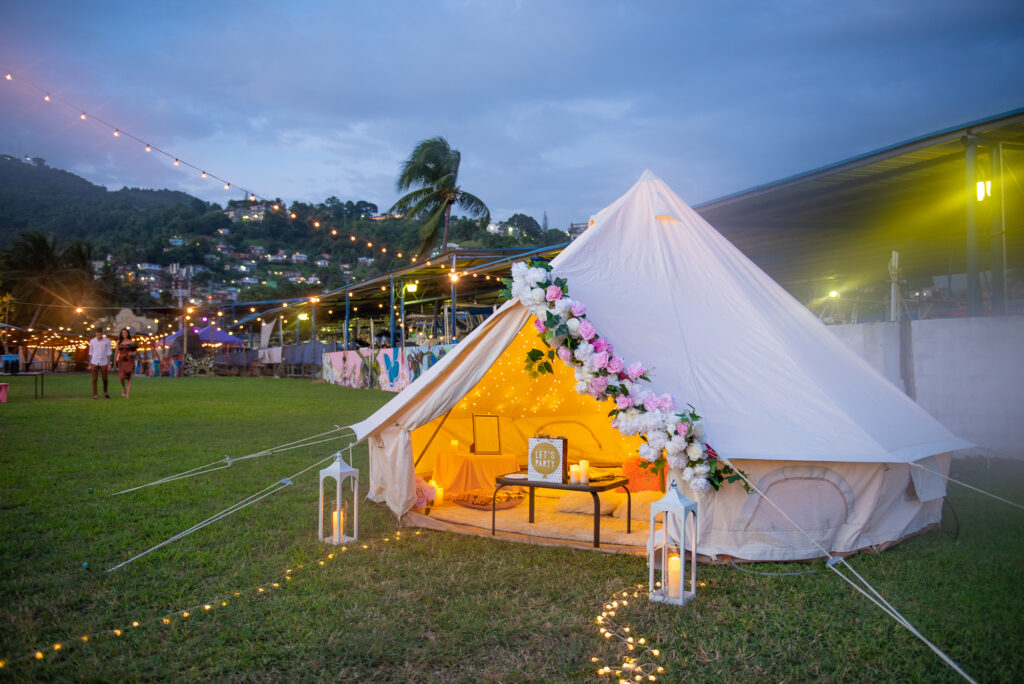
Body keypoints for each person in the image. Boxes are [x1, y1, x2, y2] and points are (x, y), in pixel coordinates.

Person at [88, 328, 112, 399]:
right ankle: (95, 394)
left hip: (104, 361)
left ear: (102, 333)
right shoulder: (92, 341)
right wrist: (90, 363)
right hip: (94, 361)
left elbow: (109, 352)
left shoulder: (107, 341)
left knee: (105, 378)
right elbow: (90, 352)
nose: (99, 335)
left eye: (100, 333)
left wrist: (109, 363)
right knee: (94, 379)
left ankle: (105, 392)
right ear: (95, 333)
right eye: (97, 333)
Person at [115, 328, 139, 398]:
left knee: (129, 377)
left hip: (129, 360)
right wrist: (114, 361)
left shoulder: (131, 342)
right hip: (121, 360)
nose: (124, 334)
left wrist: (131, 354)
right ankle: (124, 389)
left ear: (128, 334)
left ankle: (128, 393)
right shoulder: (119, 342)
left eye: (125, 333)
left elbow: (135, 352)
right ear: (121, 334)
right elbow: (116, 351)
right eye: (123, 333)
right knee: (121, 377)